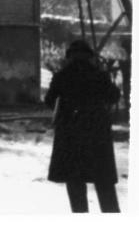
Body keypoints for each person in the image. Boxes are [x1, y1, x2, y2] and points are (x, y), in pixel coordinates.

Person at [44, 39, 121, 213]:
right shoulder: (98, 75)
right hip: (97, 136)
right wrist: (105, 77)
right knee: (104, 183)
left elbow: (49, 101)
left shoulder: (62, 75)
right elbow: (114, 97)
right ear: (89, 57)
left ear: (70, 57)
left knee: (75, 184)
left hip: (71, 136)